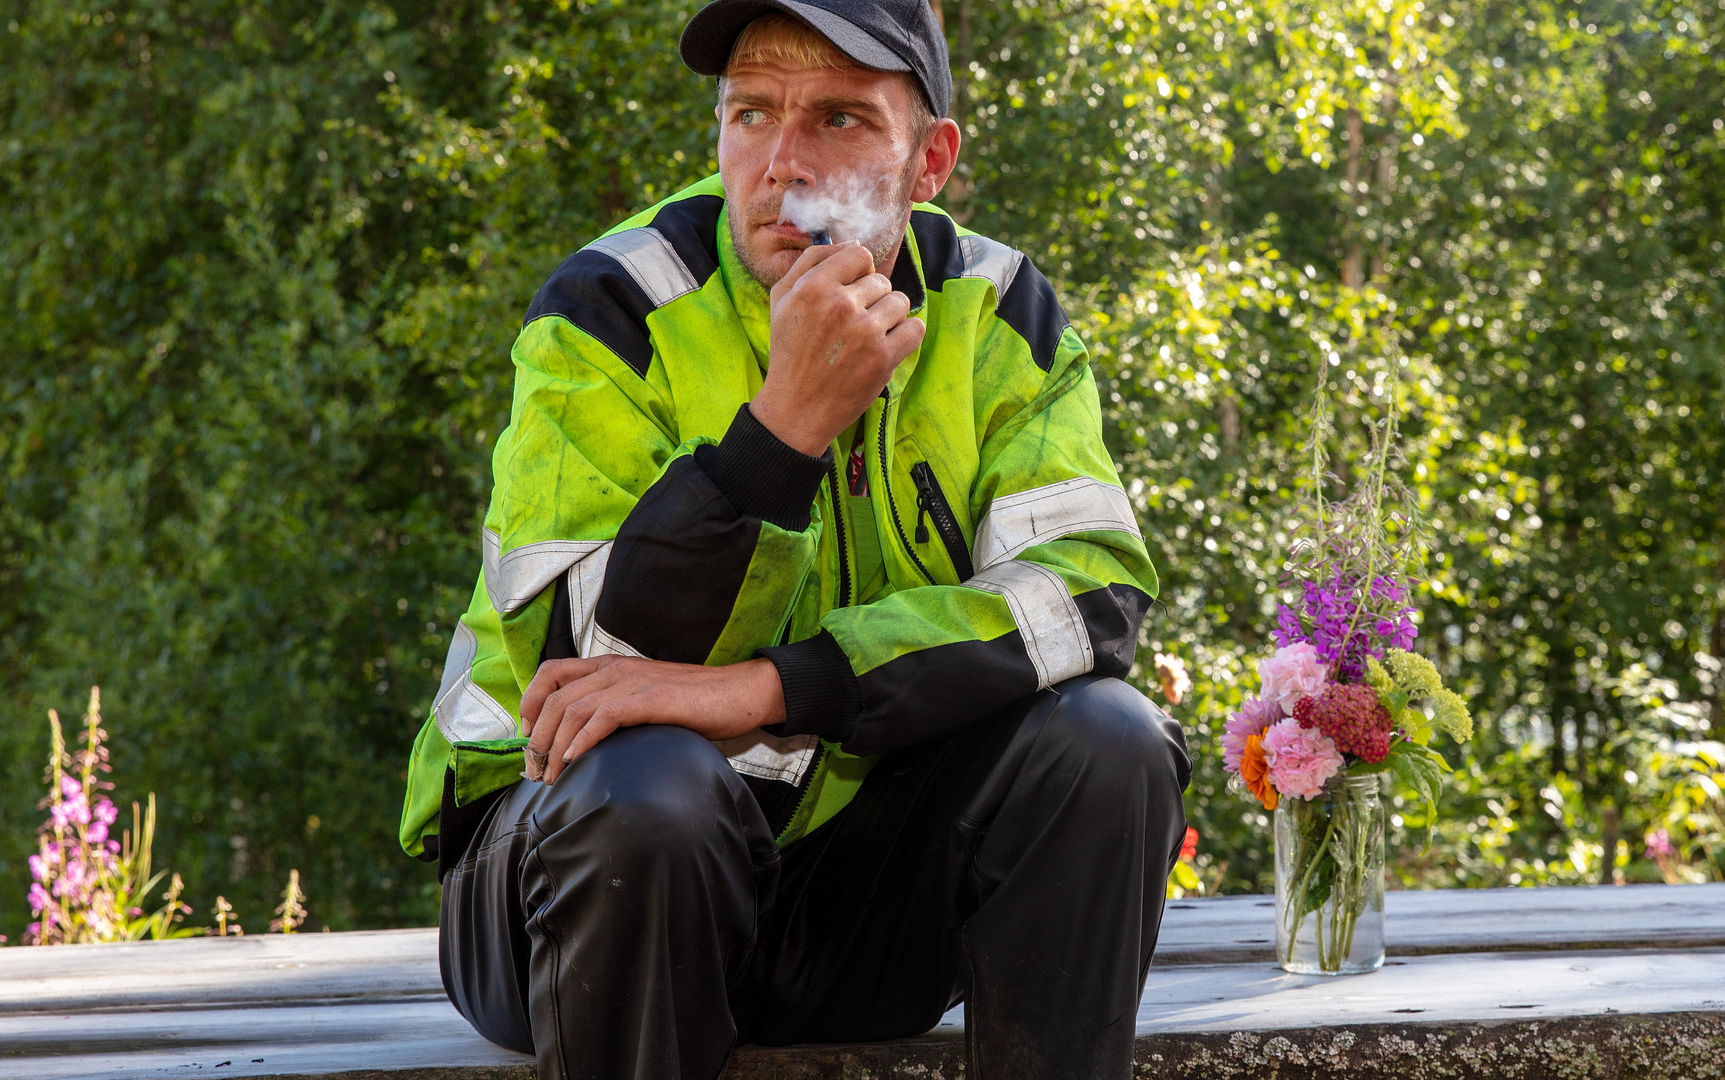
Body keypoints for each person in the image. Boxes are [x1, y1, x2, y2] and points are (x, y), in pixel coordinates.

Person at [398, 1, 1189, 1077]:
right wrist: (782, 431)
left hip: (853, 904)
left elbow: (1090, 601)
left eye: (841, 120)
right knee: (654, 789)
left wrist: (775, 688)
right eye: (750, 112)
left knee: (1111, 740)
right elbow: (594, 682)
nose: (781, 164)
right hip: (572, 886)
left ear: (931, 160)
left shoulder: (998, 312)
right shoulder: (610, 310)